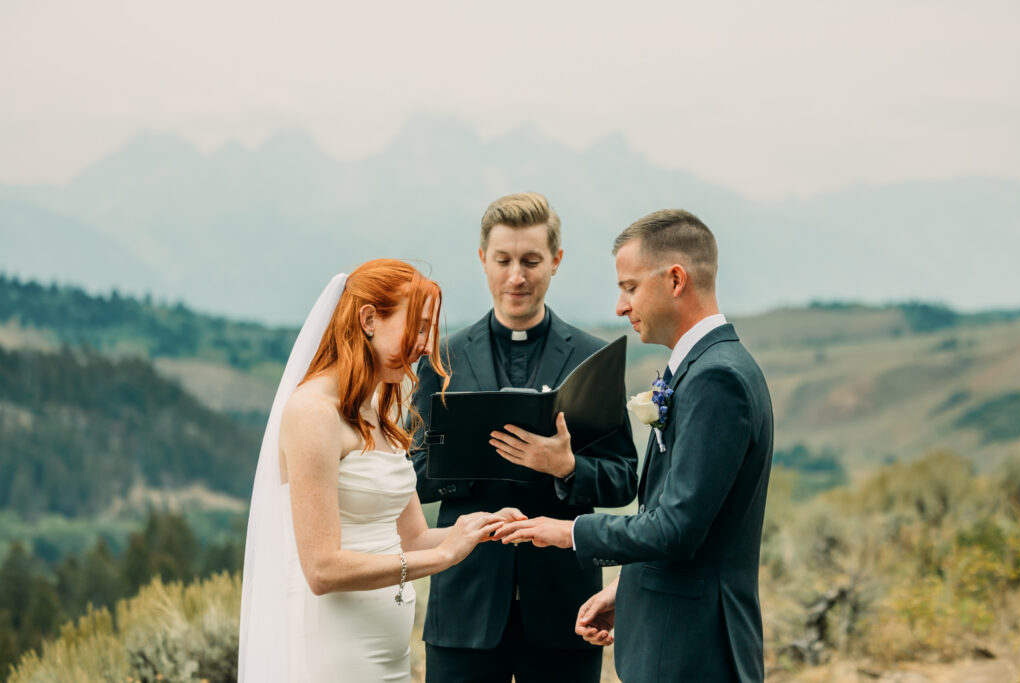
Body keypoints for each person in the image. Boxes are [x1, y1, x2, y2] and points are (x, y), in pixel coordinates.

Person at [495, 210, 775, 682]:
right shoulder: (702, 367)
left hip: (694, 652)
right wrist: (630, 586)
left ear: (676, 279)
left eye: (629, 287)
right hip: (677, 640)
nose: (620, 307)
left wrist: (567, 532)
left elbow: (676, 529)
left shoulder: (717, 378)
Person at [238, 259, 520, 683]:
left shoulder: (381, 407)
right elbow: (322, 569)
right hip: (332, 650)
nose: (426, 347)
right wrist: (443, 557)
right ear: (369, 319)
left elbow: (414, 537)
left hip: (387, 653)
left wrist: (478, 529)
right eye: (418, 327)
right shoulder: (313, 412)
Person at [410, 193, 639, 683]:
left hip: (565, 608)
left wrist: (567, 468)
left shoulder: (594, 358)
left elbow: (623, 481)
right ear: (482, 261)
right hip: (464, 607)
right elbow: (409, 478)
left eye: (531, 261)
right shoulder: (440, 359)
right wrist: (471, 462)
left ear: (555, 261)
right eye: (504, 260)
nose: (517, 276)